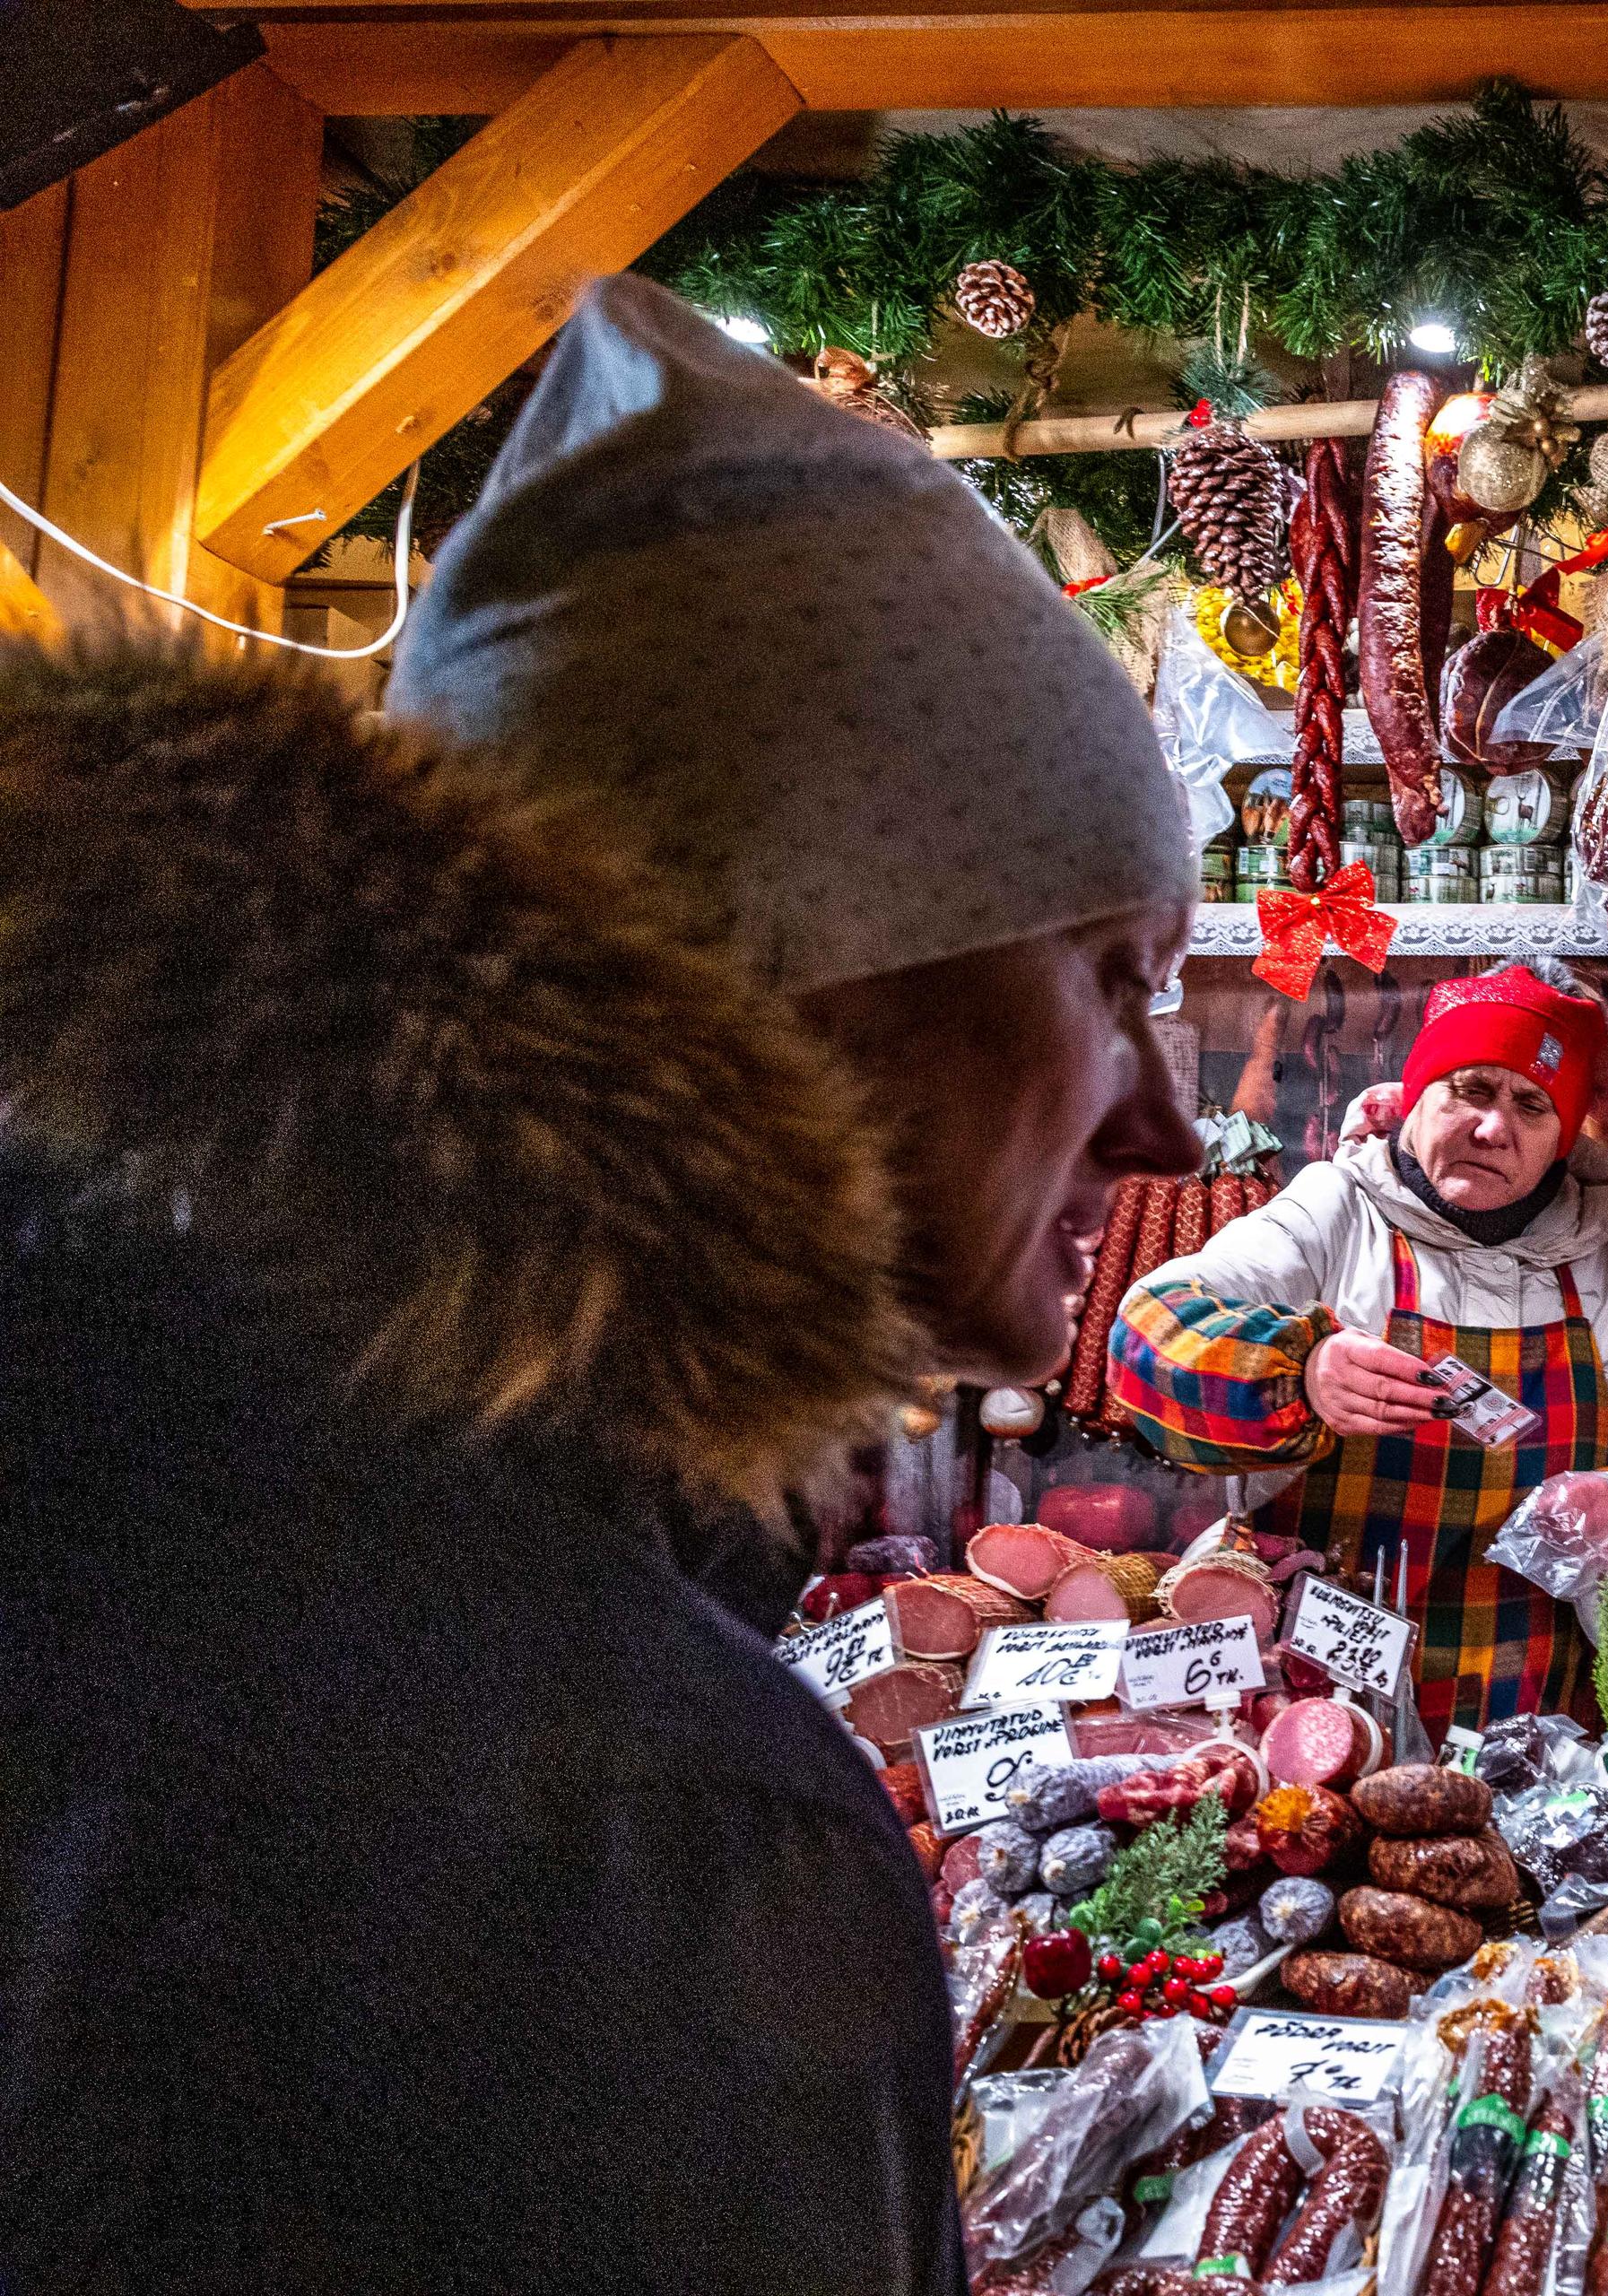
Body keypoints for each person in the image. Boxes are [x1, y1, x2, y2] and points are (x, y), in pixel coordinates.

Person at [0, 275, 1198, 2292]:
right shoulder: (635, 1821)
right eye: (1113, 979)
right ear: (820, 956)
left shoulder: (151, 1409)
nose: (1164, 1118)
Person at [1112, 961, 1608, 1736]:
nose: (1494, 1128)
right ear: (1417, 1096)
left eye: (1532, 1106)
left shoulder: (1605, 1264)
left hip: (1535, 1717)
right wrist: (1297, 1374)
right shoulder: (1336, 1212)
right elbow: (1148, 1331)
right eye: (1471, 1089)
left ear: (1562, 1139)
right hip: (1318, 1718)